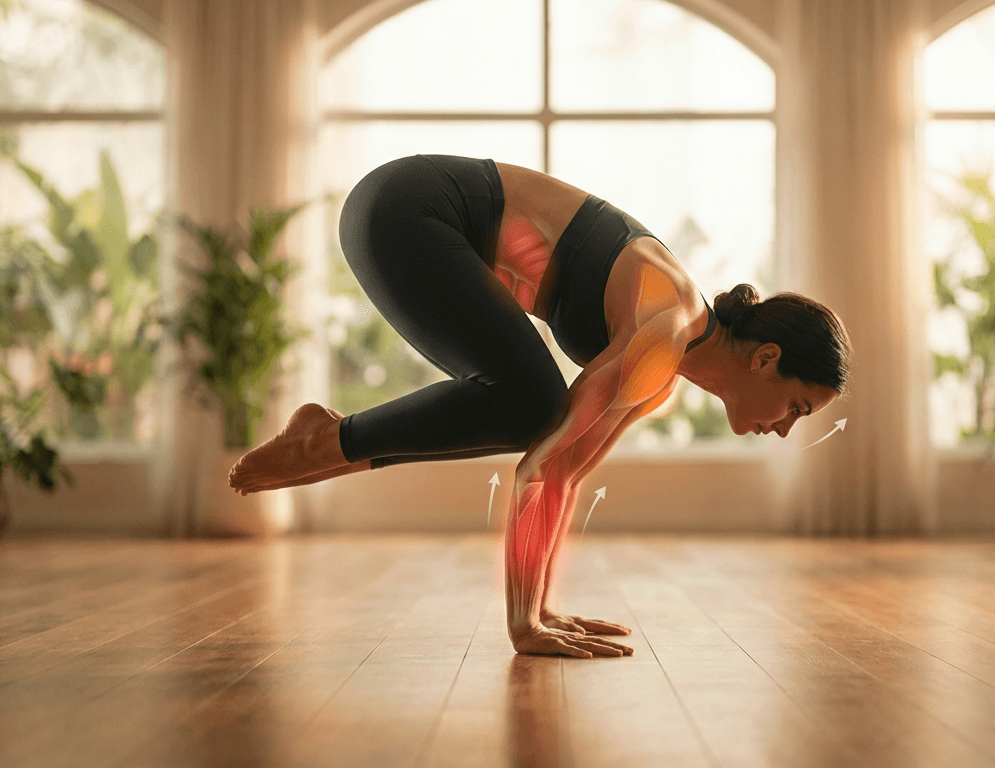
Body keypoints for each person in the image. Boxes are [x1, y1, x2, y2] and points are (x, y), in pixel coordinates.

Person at [227, 155, 851, 659]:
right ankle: (327, 442)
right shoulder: (664, 335)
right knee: (536, 407)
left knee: (537, 409)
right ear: (766, 359)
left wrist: (542, 604)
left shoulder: (663, 374)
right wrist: (522, 625)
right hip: (406, 208)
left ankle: (329, 443)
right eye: (796, 407)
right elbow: (540, 467)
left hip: (408, 211)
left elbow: (567, 474)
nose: (785, 430)